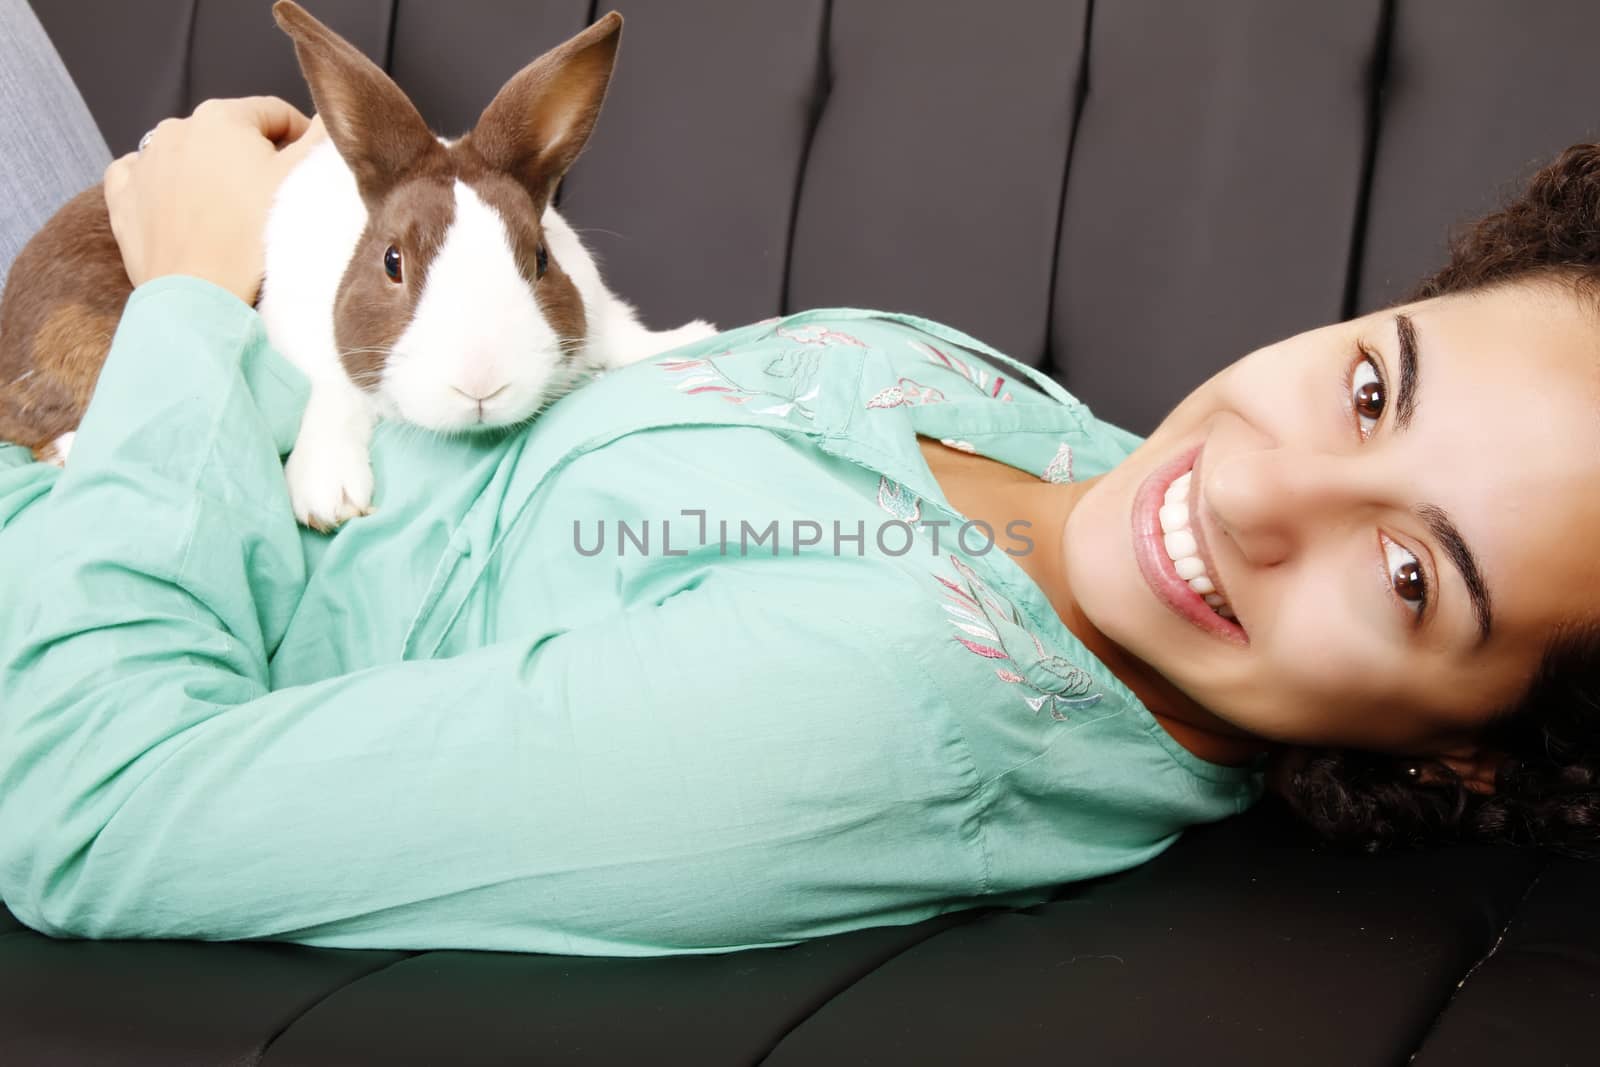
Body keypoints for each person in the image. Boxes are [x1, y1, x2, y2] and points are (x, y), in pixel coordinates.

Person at [1, 4, 1596, 955]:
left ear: (1463, 758)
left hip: (64, 503)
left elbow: (87, 809)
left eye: (1410, 579)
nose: (1255, 493)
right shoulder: (1105, 477)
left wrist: (198, 284)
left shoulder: (866, 723)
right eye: (1372, 385)